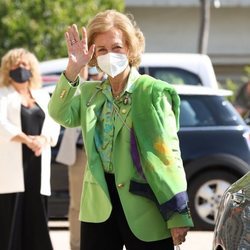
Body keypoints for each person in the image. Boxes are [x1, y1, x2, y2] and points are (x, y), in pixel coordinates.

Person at [48, 9, 193, 250]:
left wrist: (178, 213)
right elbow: (58, 113)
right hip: (99, 205)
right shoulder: (89, 94)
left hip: (144, 205)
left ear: (130, 48)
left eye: (116, 47)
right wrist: (73, 69)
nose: (109, 55)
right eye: (102, 50)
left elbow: (168, 156)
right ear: (93, 54)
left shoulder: (152, 92)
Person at [0, 48, 60, 250]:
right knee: (11, 222)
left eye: (25, 65)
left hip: (37, 163)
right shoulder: (3, 95)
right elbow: (1, 124)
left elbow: (54, 122)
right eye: (16, 65)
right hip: (12, 169)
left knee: (37, 219)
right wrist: (27, 140)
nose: (21, 68)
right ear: (8, 69)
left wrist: (42, 139)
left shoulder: (43, 96)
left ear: (32, 69)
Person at [56, 65, 88, 250]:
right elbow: (65, 105)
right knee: (77, 204)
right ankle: (76, 246)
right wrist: (79, 75)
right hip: (79, 153)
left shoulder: (113, 79)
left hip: (105, 153)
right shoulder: (76, 80)